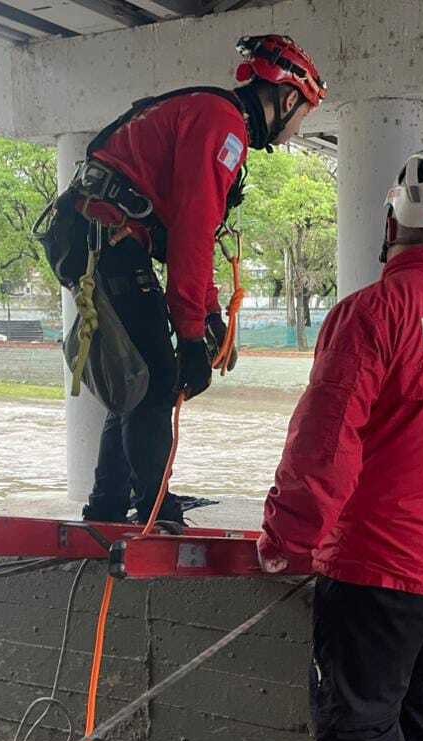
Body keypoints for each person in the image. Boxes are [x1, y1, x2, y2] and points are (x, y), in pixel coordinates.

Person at [256, 149, 423, 741]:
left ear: (392, 223)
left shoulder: (372, 313)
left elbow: (322, 447)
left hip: (374, 573)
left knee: (359, 736)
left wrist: (288, 540)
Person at [52, 35, 325, 525]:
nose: (297, 130)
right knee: (155, 376)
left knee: (138, 373)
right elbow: (193, 233)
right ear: (287, 99)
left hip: (99, 235)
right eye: (302, 116)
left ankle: (110, 504)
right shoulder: (223, 127)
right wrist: (193, 336)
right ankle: (154, 509)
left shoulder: (212, 115)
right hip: (108, 238)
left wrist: (212, 311)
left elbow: (192, 230)